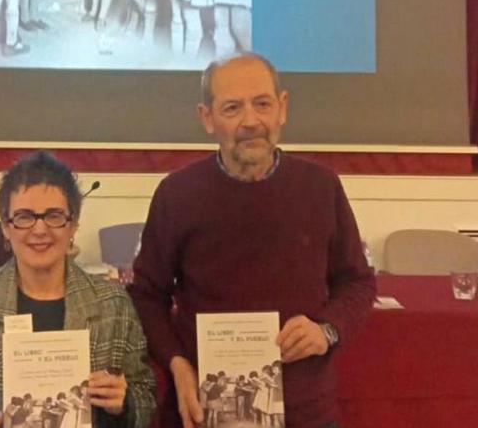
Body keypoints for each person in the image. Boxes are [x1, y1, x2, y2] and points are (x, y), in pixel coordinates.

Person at [127, 52, 376, 428]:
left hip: (303, 412)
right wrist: (176, 365)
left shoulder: (320, 187)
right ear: (207, 118)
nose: (250, 121)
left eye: (262, 104)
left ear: (283, 108)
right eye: (232, 108)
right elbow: (147, 295)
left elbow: (357, 282)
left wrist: (326, 330)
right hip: (204, 411)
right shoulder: (176, 195)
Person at [0, 150, 156, 428]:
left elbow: (146, 395)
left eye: (54, 216)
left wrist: (125, 404)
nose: (40, 230)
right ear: (6, 227)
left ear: (73, 224)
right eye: (25, 216)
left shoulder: (114, 305)